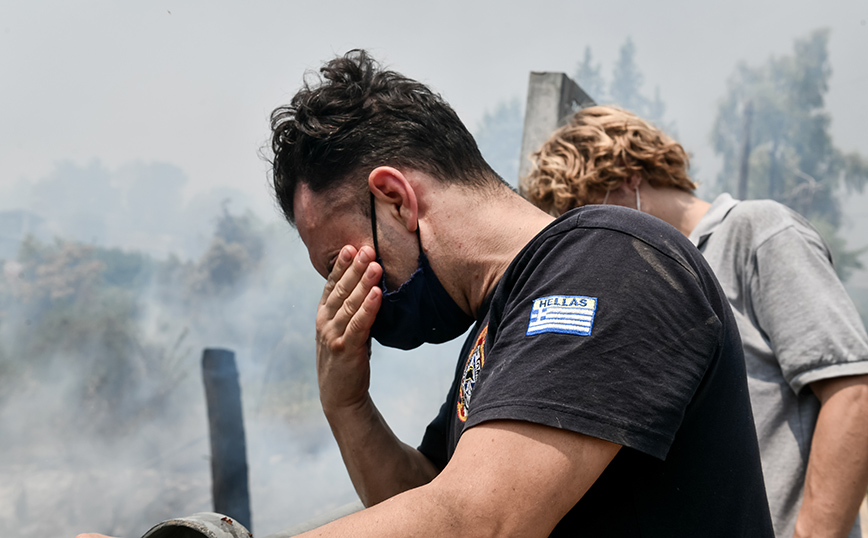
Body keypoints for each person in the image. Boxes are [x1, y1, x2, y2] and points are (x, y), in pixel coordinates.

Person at [76, 51, 773, 538]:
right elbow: (427, 507)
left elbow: (479, 522)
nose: (350, 297)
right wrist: (347, 405)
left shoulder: (608, 259)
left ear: (394, 198)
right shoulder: (495, 331)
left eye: (337, 264)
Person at [523, 105, 868, 538]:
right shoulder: (649, 281)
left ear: (630, 176)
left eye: (588, 209)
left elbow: (853, 393)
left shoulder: (756, 232)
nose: (589, 239)